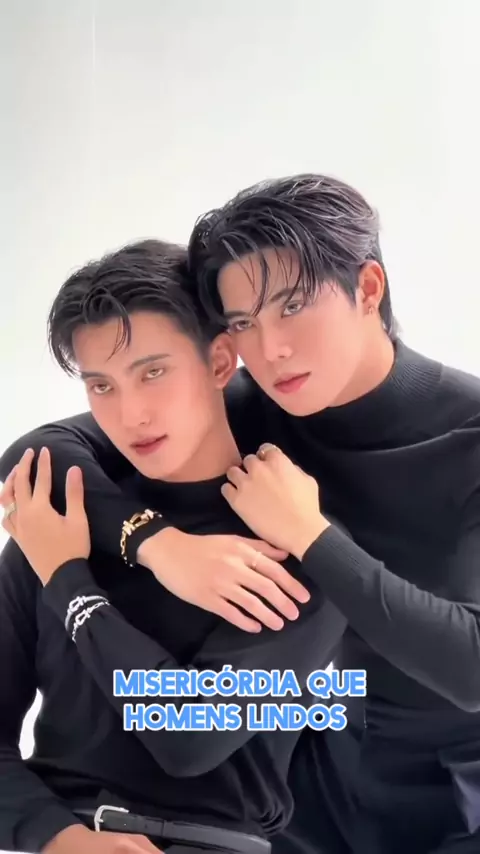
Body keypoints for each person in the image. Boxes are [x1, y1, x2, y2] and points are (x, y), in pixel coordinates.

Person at [2, 174, 480, 852]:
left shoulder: (466, 440)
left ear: (368, 288)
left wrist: (312, 538)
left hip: (448, 803)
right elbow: (35, 455)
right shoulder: (252, 398)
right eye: (243, 323)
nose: (270, 348)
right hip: (294, 794)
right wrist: (159, 545)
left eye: (293, 306)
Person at [0, 240, 348, 854]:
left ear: (220, 362)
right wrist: (58, 837)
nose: (131, 413)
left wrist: (70, 582)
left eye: (153, 373)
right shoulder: (59, 521)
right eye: (101, 385)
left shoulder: (297, 542)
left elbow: (188, 734)